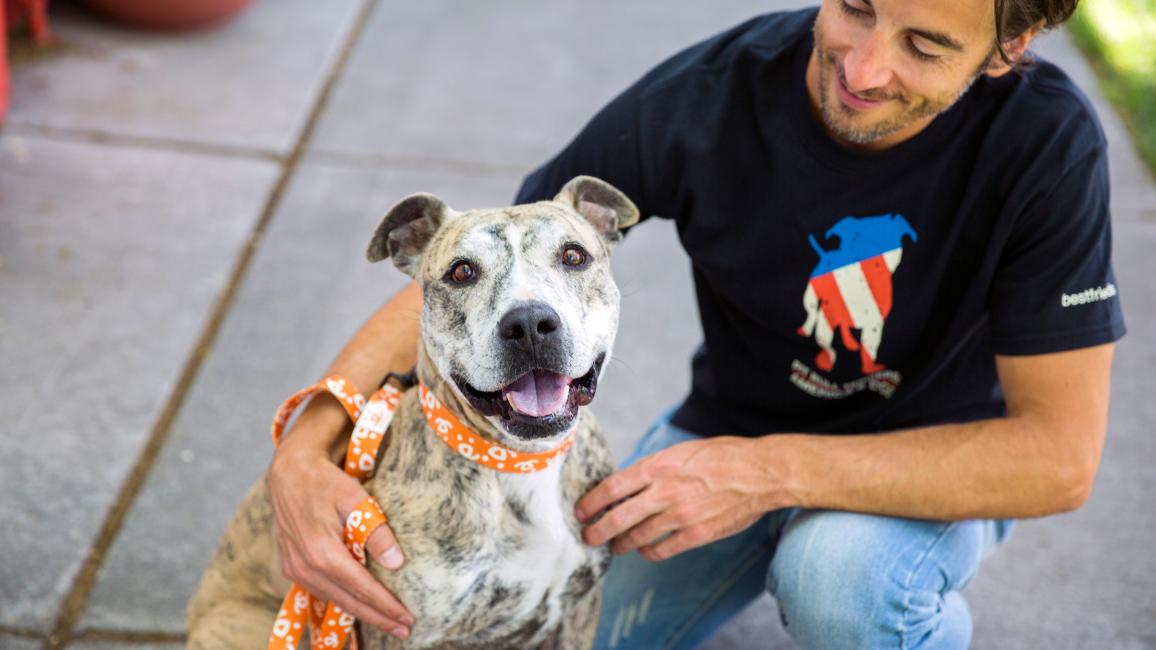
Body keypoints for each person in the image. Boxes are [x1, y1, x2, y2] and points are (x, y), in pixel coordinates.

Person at [265, 0, 1126, 647]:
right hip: (722, 434)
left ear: (1010, 47)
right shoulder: (714, 96)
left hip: (927, 460)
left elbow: (1057, 458)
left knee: (838, 578)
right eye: (856, 6)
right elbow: (470, 274)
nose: (862, 69)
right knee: (562, 616)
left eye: (925, 45)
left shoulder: (1045, 145)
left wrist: (768, 474)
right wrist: (307, 445)